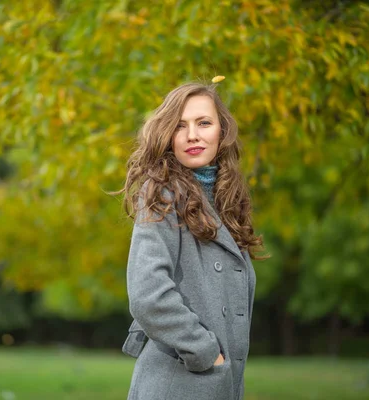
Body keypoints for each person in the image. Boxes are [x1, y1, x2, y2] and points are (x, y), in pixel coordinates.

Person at [119, 81, 267, 400]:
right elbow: (148, 295)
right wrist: (205, 352)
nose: (193, 135)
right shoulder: (161, 195)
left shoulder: (224, 202)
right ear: (168, 136)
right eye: (180, 126)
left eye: (204, 123)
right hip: (181, 383)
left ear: (222, 131)